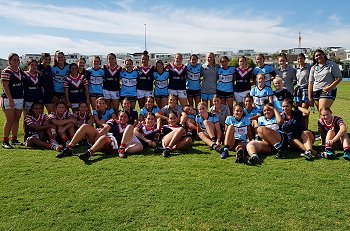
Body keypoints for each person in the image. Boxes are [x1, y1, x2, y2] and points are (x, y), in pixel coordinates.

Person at [58, 110, 143, 160]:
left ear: (128, 119)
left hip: (111, 144)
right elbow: (105, 129)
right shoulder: (113, 121)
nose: (122, 118)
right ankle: (69, 148)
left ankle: (88, 153)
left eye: (125, 117)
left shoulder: (128, 127)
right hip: (100, 138)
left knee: (104, 138)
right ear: (118, 117)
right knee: (85, 126)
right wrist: (97, 137)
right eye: (121, 116)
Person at [1, 53, 25, 148]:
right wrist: (10, 99)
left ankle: (14, 139)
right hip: (8, 99)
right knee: (10, 120)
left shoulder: (19, 70)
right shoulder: (6, 71)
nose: (16, 61)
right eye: (14, 59)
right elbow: (5, 86)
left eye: (17, 59)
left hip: (19, 98)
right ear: (10, 61)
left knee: (16, 119)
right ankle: (5, 141)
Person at [294, 53, 311, 127]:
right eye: (298, 59)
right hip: (298, 90)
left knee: (304, 110)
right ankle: (300, 127)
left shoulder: (309, 67)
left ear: (304, 59)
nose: (299, 60)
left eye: (301, 58)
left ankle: (305, 128)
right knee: (298, 110)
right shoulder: (297, 69)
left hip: (306, 89)